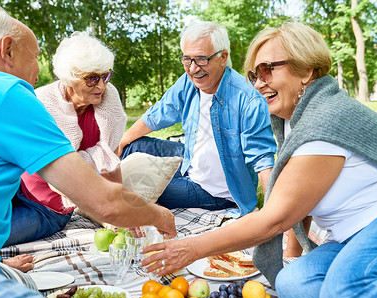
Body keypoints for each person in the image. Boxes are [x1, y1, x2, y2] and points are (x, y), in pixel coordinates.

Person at [141, 22, 377, 298]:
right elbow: (302, 194)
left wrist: (192, 247)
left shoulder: (325, 120)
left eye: (267, 70)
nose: (257, 83)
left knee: (347, 287)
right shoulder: (293, 118)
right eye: (254, 74)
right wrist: (291, 254)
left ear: (306, 70)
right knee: (292, 282)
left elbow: (275, 218)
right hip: (347, 236)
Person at [0, 4, 176, 298]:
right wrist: (159, 216)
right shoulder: (8, 93)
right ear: (7, 50)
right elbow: (103, 202)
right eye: (34, 58)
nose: (37, 71)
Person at [117, 21, 276, 216]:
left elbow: (263, 160)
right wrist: (121, 142)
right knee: (130, 145)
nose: (193, 69)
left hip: (214, 192)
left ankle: (101, 190)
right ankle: (93, 183)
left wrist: (275, 215)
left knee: (135, 187)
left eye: (201, 59)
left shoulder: (248, 99)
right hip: (189, 160)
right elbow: (156, 115)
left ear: (222, 57)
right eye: (187, 59)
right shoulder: (189, 83)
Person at [4, 32, 127, 246]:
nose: (101, 86)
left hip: (47, 207)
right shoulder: (42, 102)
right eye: (91, 78)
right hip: (14, 186)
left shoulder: (109, 105)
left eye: (105, 76)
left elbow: (110, 162)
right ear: (70, 77)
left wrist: (119, 208)